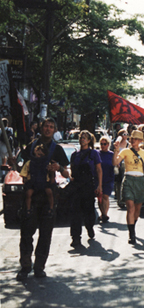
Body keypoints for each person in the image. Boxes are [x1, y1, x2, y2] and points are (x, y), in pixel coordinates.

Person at [14, 118, 70, 281]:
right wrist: (13, 164)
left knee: (45, 234)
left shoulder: (57, 149)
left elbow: (67, 174)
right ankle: (25, 266)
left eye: (51, 127)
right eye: (46, 126)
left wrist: (58, 168)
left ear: (54, 130)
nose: (48, 129)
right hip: (31, 196)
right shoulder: (31, 147)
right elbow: (21, 169)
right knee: (26, 233)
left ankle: (39, 267)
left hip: (48, 197)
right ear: (41, 127)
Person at [113, 130, 144, 244]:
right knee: (130, 207)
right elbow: (115, 162)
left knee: (137, 209)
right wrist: (116, 149)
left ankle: (133, 225)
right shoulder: (126, 151)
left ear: (140, 141)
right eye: (132, 139)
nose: (133, 141)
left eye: (136, 139)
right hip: (128, 179)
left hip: (140, 180)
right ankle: (131, 234)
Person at [69, 130, 102, 248]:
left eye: (85, 137)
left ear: (89, 140)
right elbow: (71, 170)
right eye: (81, 137)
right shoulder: (74, 155)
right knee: (75, 213)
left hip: (88, 186)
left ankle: (90, 227)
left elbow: (98, 170)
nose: (82, 139)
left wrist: (99, 186)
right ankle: (76, 238)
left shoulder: (94, 154)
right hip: (77, 186)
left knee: (89, 211)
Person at [20, 144, 55, 216]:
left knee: (50, 193)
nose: (39, 156)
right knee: (28, 194)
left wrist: (51, 172)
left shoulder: (46, 163)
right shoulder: (29, 163)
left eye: (41, 155)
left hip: (44, 182)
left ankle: (51, 208)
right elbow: (24, 173)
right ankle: (28, 209)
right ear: (35, 152)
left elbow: (51, 172)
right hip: (33, 182)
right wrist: (25, 180)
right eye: (38, 154)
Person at [98, 136, 115, 223]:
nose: (103, 146)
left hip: (109, 178)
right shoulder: (97, 154)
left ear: (108, 144)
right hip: (99, 178)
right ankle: (102, 213)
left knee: (105, 196)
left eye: (105, 144)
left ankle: (105, 214)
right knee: (100, 197)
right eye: (101, 144)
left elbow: (116, 163)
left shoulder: (111, 154)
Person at [112, 129, 129, 208]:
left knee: (125, 182)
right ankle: (120, 200)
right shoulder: (116, 144)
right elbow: (113, 154)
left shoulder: (128, 144)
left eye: (126, 134)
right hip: (118, 165)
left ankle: (125, 199)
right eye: (124, 134)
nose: (125, 136)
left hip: (126, 165)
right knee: (119, 183)